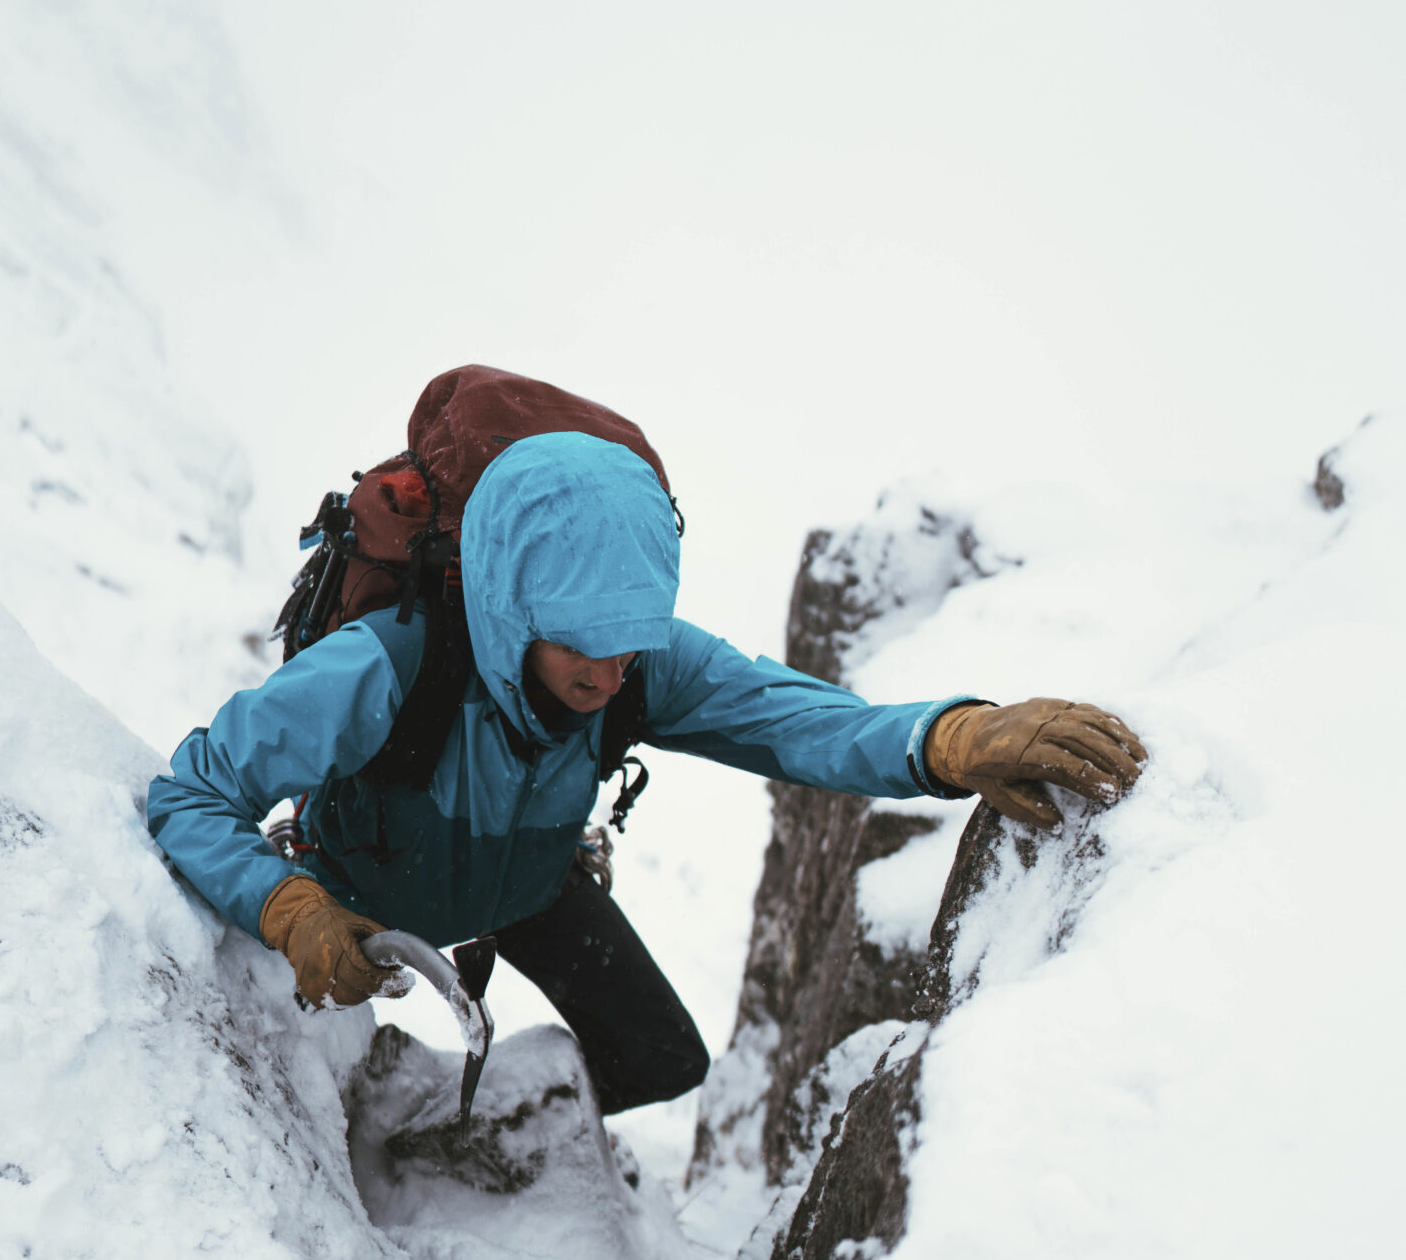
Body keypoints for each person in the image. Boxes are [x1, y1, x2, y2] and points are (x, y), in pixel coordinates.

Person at [146, 430, 1145, 1115]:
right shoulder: (381, 667)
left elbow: (792, 719)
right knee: (328, 1082)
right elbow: (191, 792)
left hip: (526, 882)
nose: (610, 676)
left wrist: (949, 741)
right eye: (582, 646)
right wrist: (290, 910)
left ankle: (522, 1147)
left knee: (664, 1060)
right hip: (360, 895)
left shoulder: (631, 659)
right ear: (510, 606)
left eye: (630, 647)